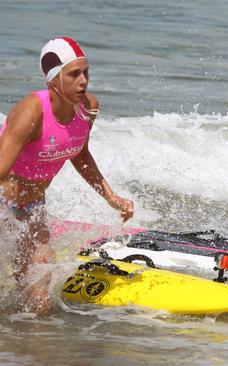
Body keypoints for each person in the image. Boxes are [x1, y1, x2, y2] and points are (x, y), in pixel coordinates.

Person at [0, 37, 134, 314]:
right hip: (3, 204)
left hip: (33, 207)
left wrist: (111, 197)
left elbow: (80, 154)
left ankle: (31, 347)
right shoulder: (31, 111)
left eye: (86, 72)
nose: (83, 81)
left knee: (40, 292)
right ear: (53, 79)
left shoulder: (88, 107)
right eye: (74, 74)